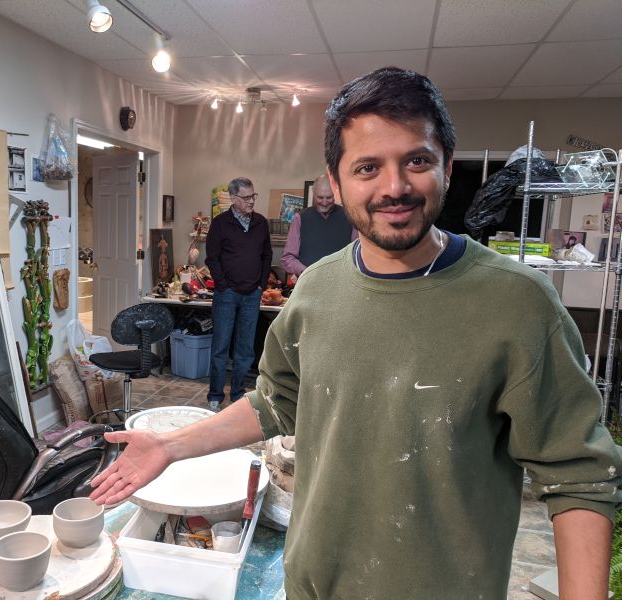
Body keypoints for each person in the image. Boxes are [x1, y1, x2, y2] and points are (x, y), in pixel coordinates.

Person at [90, 68, 622, 599]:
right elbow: (275, 402)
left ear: (447, 167)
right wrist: (170, 445)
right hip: (313, 585)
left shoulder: (518, 302)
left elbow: (577, 475)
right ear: (337, 182)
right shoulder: (316, 291)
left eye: (416, 160)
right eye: (368, 167)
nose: (394, 187)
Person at [203, 177, 272, 412]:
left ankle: (238, 392)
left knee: (246, 349)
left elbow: (266, 256)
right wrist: (222, 285)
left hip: (252, 294)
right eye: (246, 197)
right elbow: (211, 257)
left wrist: (261, 284)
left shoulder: (261, 223)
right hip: (227, 294)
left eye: (253, 196)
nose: (251, 201)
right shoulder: (220, 224)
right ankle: (215, 394)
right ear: (233, 199)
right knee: (221, 346)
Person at [280, 173, 357, 276]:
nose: (324, 203)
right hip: (308, 283)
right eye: (320, 198)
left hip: (341, 283)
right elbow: (287, 258)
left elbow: (357, 254)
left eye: (329, 197)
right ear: (313, 193)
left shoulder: (350, 217)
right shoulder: (300, 218)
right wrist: (308, 272)